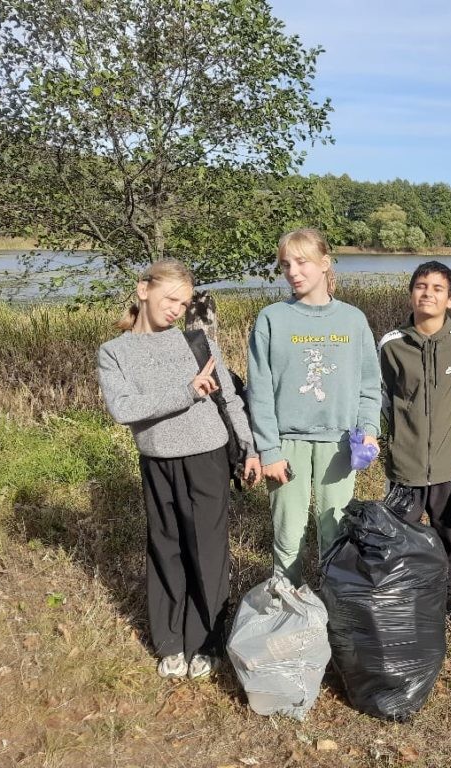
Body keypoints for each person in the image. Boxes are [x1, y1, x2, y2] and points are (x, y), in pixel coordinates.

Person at [97, 259, 261, 680]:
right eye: (170, 299)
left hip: (207, 454)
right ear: (143, 290)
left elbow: (232, 401)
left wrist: (250, 447)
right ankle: (170, 642)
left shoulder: (196, 342)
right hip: (157, 459)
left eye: (183, 302)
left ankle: (206, 640)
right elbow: (124, 408)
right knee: (166, 548)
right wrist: (186, 392)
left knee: (207, 550)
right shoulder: (114, 352)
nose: (175, 309)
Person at [246, 228, 381, 586]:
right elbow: (258, 391)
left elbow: (370, 384)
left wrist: (369, 430)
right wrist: (269, 450)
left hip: (338, 444)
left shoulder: (353, 320)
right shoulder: (272, 318)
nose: (293, 271)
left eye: (302, 262)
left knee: (334, 534)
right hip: (286, 444)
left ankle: (332, 611)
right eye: (286, 264)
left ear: (325, 264)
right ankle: (286, 607)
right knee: (288, 536)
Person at [377, 261, 451, 625]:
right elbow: (383, 399)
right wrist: (387, 442)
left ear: (450, 299)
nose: (428, 294)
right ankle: (404, 594)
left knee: (447, 532)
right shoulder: (392, 344)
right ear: (411, 294)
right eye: (421, 286)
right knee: (400, 535)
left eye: (438, 288)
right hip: (404, 463)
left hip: (449, 463)